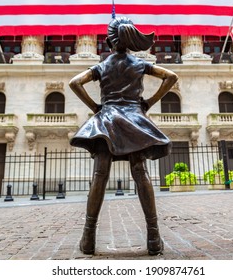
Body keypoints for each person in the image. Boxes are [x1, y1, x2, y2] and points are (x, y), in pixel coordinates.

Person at [69, 17, 178, 255]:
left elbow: (75, 82)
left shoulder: (103, 65)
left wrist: (95, 107)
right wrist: (149, 102)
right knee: (141, 173)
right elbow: (171, 77)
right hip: (133, 120)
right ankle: (153, 236)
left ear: (109, 41)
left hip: (106, 119)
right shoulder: (139, 64)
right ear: (129, 41)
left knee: (99, 176)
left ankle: (88, 237)